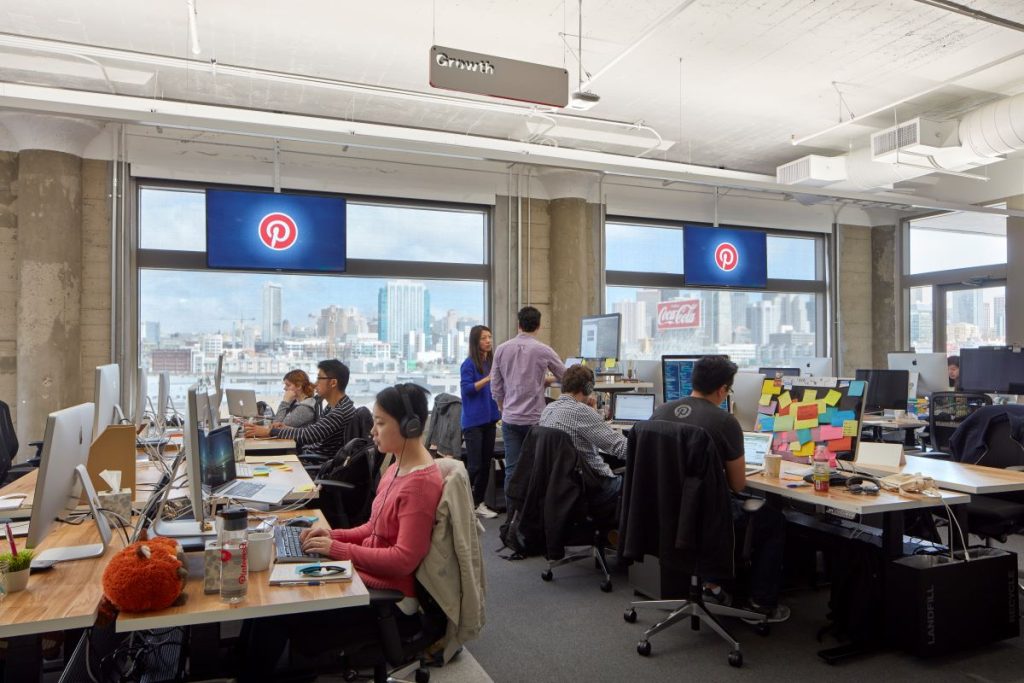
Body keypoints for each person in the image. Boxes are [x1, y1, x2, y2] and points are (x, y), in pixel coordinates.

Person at [240, 383, 443, 681]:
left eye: (380, 423)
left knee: (276, 610)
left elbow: (403, 560)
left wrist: (337, 551)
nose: (372, 431)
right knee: (268, 600)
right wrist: (331, 536)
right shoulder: (397, 467)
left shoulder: (420, 484)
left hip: (388, 599)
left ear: (409, 427)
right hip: (366, 575)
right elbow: (373, 527)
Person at [651, 355, 789, 624]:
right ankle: (761, 604)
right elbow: (738, 485)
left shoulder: (661, 412)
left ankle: (713, 584)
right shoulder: (725, 422)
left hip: (665, 511)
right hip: (705, 518)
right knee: (773, 519)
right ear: (722, 389)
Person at [491, 306, 566, 493]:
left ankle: (512, 510)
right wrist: (547, 380)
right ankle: (533, 510)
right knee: (536, 470)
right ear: (539, 326)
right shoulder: (544, 350)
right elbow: (566, 376)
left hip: (510, 419)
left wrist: (503, 408)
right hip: (535, 420)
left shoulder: (501, 349)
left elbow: (496, 387)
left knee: (512, 470)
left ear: (519, 325)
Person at [537, 364, 625, 520]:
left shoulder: (548, 409)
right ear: (588, 388)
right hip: (593, 486)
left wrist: (592, 412)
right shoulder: (580, 411)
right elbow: (620, 448)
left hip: (561, 486)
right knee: (637, 483)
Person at [244, 359, 355, 457]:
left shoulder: (340, 412)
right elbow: (312, 431)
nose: (316, 383)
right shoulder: (334, 407)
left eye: (319, 378)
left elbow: (309, 435)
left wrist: (270, 431)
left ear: (333, 383)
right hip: (311, 455)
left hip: (314, 461)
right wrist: (286, 428)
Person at [460, 324, 501, 519]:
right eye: (484, 338)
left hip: (490, 419)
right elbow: (467, 390)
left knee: (486, 464)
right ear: (476, 342)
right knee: (474, 465)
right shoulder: (468, 364)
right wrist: (488, 379)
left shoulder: (492, 362)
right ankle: (462, 503)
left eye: (490, 337)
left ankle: (478, 503)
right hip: (473, 422)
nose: (488, 341)